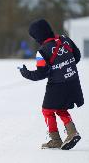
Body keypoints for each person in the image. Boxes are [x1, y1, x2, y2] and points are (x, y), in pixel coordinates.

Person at [19, 19, 84, 150]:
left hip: (57, 86)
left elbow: (41, 74)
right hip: (73, 81)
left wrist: (25, 73)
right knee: (60, 108)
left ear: (37, 36)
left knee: (47, 111)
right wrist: (65, 67)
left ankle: (56, 140)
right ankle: (72, 132)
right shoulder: (65, 40)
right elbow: (76, 56)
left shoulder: (42, 52)